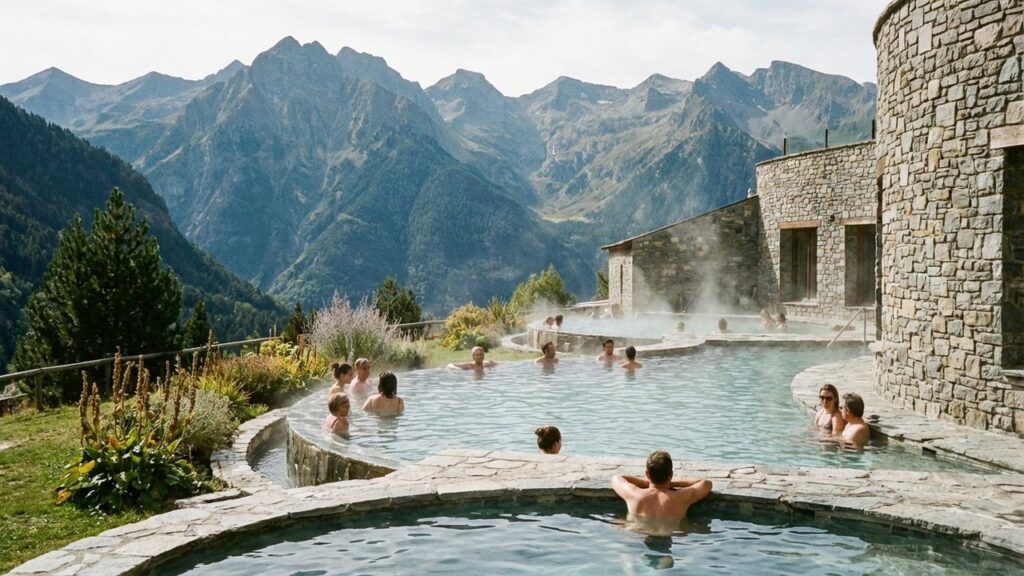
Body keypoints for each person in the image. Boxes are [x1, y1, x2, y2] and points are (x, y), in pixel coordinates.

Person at [611, 451, 712, 526]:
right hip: (671, 535)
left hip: (637, 535)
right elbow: (706, 483)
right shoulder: (682, 497)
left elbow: (616, 478)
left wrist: (645, 482)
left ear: (647, 474)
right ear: (671, 475)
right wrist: (674, 483)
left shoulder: (634, 494)